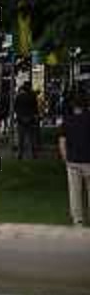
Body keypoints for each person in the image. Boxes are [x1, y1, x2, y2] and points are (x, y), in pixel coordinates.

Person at [58, 94, 90, 226]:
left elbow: (62, 141)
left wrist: (65, 157)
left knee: (74, 192)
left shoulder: (67, 120)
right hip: (88, 159)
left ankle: (78, 220)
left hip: (73, 161)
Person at [14, 81, 38, 158]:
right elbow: (35, 108)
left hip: (21, 119)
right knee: (31, 138)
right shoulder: (32, 96)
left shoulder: (19, 96)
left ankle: (20, 154)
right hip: (30, 119)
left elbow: (15, 108)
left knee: (21, 138)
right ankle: (33, 153)